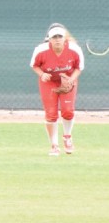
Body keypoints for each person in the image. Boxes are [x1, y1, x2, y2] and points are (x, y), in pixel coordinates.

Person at [30, 23, 84, 156]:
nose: (57, 39)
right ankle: (54, 145)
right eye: (54, 37)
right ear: (49, 39)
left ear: (65, 38)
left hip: (67, 80)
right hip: (49, 83)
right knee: (51, 113)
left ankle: (67, 137)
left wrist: (71, 79)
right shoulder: (41, 50)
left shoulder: (74, 49)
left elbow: (79, 67)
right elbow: (34, 65)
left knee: (67, 111)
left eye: (60, 36)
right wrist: (42, 74)